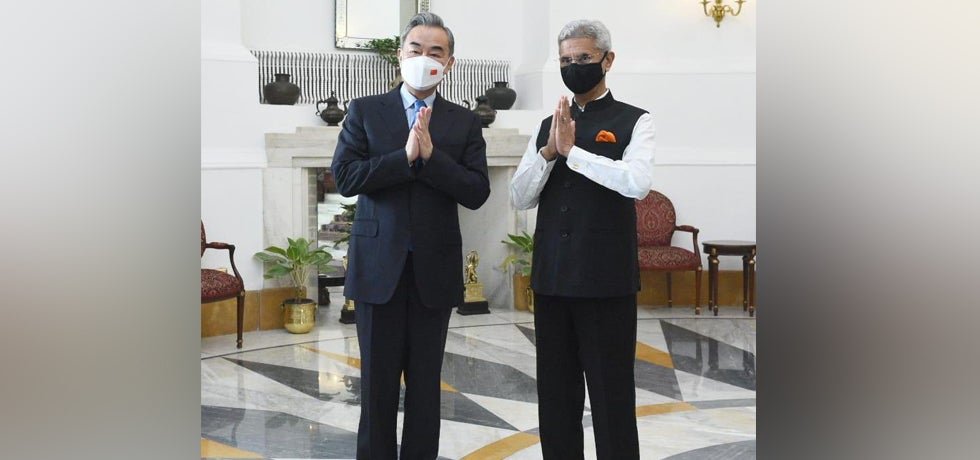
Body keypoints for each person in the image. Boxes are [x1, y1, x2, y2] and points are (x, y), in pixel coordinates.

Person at [330, 11, 491, 460]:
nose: (425, 58)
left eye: (435, 51)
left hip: (433, 275)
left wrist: (434, 158)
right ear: (400, 56)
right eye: (416, 49)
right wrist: (402, 158)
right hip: (378, 271)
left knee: (425, 389)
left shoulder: (464, 122)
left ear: (450, 63)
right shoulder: (366, 110)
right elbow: (345, 178)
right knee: (376, 390)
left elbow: (477, 192)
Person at [509, 19, 655, 460]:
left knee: (611, 400)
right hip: (552, 280)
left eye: (583, 59)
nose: (574, 67)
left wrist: (576, 153)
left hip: (606, 283)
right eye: (566, 61)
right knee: (555, 399)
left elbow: (637, 183)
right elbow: (520, 195)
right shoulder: (546, 127)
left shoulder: (635, 121)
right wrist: (551, 152)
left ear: (607, 60)